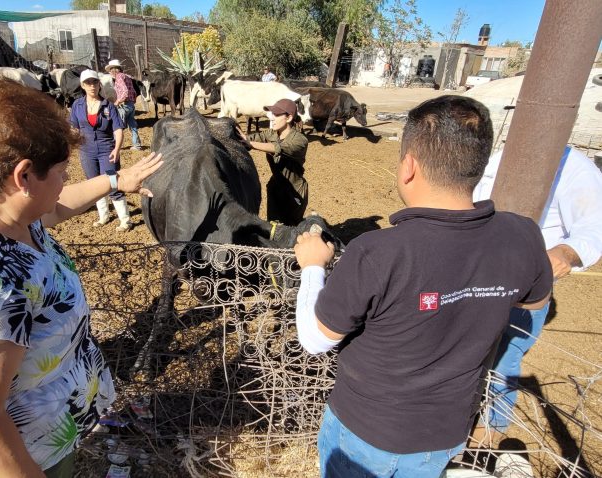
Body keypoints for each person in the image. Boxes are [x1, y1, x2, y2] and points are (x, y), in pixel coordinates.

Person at [0, 78, 163, 478]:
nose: (64, 181)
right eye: (61, 172)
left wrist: (115, 181)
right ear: (23, 176)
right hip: (18, 459)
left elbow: (54, 208)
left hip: (47, 437)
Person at [293, 95, 553, 478]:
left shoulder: (377, 251)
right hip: (443, 436)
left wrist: (313, 267)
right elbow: (533, 305)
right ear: (477, 166)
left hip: (364, 433)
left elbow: (315, 339)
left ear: (408, 167)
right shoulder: (523, 236)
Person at [471, 145, 602, 441]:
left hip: (525, 286)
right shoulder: (500, 154)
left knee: (505, 357)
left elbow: (595, 226)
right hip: (475, 276)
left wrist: (565, 252)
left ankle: (489, 430)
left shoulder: (574, 168)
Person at [70, 69, 131, 231]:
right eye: (88, 83)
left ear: (99, 84)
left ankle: (125, 220)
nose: (92, 86)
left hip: (107, 150)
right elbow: (73, 128)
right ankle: (103, 216)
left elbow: (118, 130)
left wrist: (117, 149)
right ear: (82, 85)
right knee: (94, 184)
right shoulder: (77, 105)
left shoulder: (109, 106)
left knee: (112, 183)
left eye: (95, 82)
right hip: (87, 152)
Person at [239, 98, 309, 226]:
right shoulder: (271, 134)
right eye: (272, 114)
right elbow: (250, 139)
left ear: (289, 118)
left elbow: (278, 148)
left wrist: (250, 143)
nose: (272, 118)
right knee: (273, 227)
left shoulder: (300, 140)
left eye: (276, 115)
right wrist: (238, 136)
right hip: (275, 188)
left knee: (290, 229)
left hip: (293, 193)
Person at [105, 59, 142, 151]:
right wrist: (132, 102)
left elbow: (125, 91)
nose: (110, 72)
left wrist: (118, 101)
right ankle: (137, 145)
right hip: (130, 105)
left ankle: (116, 145)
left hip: (123, 105)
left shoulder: (119, 77)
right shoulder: (127, 77)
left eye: (110, 70)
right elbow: (133, 91)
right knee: (132, 125)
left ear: (114, 70)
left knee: (117, 125)